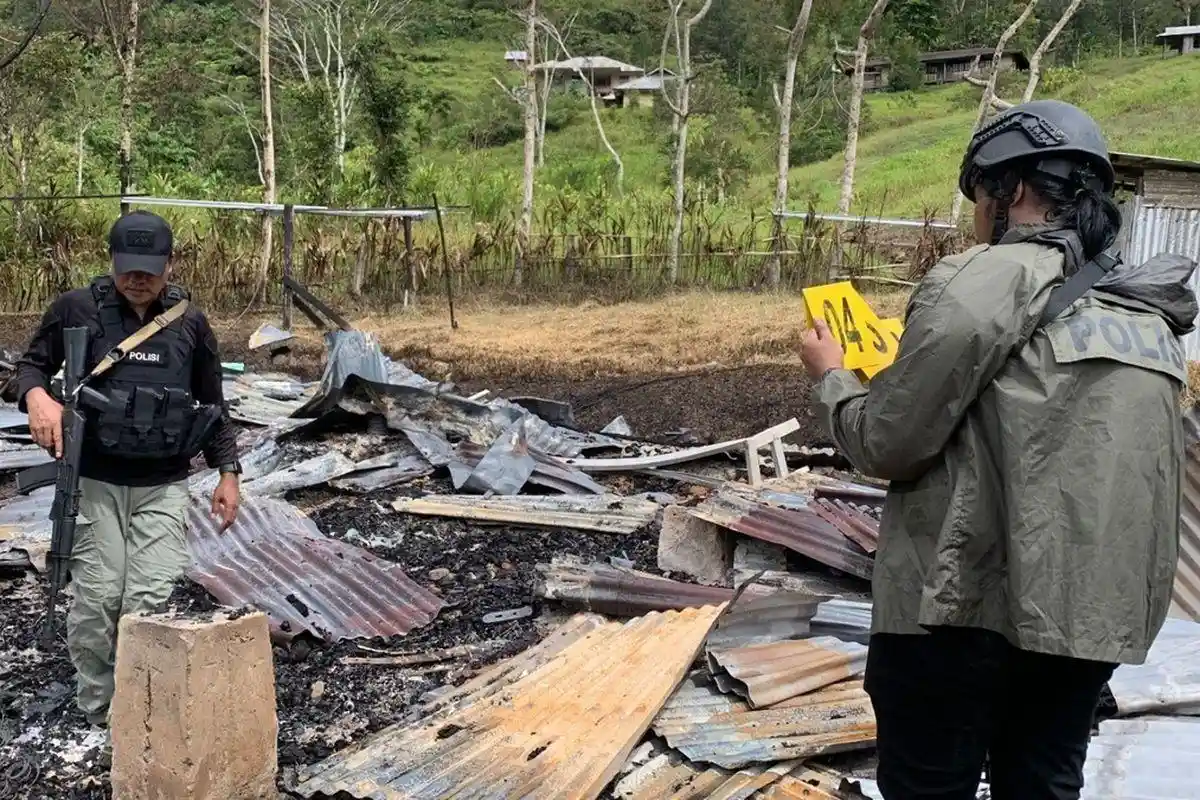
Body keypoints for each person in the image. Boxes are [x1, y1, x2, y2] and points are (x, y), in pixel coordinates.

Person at [800, 99, 1197, 800]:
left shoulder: (980, 280)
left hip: (956, 620)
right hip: (1086, 629)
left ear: (1009, 191)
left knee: (929, 786)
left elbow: (885, 443)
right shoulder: (1148, 316)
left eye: (979, 197)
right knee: (1043, 784)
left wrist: (832, 375)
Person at [15, 210, 243, 727]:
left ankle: (138, 707)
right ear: (111, 261)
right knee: (97, 601)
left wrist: (229, 472)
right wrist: (37, 397)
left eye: (149, 268)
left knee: (146, 601)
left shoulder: (190, 322)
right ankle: (100, 711)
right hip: (93, 482)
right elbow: (27, 366)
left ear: (170, 264)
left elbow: (213, 405)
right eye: (127, 268)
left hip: (162, 485)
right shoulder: (76, 309)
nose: (137, 279)